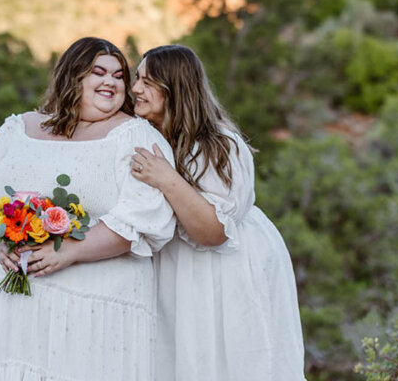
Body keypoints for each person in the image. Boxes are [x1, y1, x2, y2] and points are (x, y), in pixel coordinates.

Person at [0, 37, 176, 381]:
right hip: (11, 304)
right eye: (98, 72)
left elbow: (141, 218)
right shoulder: (18, 128)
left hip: (94, 305)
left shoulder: (136, 137)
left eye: (119, 76)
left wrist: (71, 252)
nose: (111, 82)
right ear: (72, 76)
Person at [130, 44, 306, 381]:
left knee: (230, 359)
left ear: (175, 88)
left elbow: (213, 232)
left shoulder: (219, 144)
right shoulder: (144, 137)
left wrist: (167, 178)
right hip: (176, 269)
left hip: (227, 268)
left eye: (148, 82)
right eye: (137, 79)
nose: (136, 88)